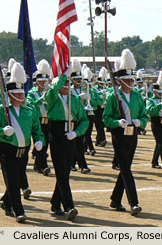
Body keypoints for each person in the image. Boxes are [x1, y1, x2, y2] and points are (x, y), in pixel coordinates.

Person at [0, 62, 45, 223]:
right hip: (7, 150)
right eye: (17, 94)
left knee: (18, 180)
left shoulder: (29, 111)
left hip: (23, 151)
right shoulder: (1, 109)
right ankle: (19, 210)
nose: (20, 96)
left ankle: (6, 202)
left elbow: (37, 130)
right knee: (12, 180)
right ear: (10, 95)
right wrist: (2, 131)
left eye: (21, 94)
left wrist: (39, 141)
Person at [103, 49, 148, 216]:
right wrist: (116, 122)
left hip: (132, 134)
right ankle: (134, 203)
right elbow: (106, 118)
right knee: (127, 170)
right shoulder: (113, 97)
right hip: (119, 135)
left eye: (132, 79)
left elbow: (144, 116)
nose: (131, 82)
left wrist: (140, 122)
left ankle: (115, 199)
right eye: (127, 80)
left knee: (126, 167)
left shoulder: (137, 96)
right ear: (120, 81)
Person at [44, 65, 89, 221]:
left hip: (71, 134)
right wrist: (64, 75)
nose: (66, 86)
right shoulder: (53, 98)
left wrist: (77, 133)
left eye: (67, 84)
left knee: (66, 171)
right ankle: (69, 206)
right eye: (63, 84)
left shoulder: (75, 100)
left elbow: (84, 120)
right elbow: (51, 91)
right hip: (56, 134)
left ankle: (55, 202)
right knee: (61, 172)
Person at [26, 59, 52, 176]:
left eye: (45, 81)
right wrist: (42, 99)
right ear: (37, 82)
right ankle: (43, 166)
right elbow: (31, 105)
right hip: (37, 121)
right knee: (41, 142)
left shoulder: (50, 92)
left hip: (48, 121)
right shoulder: (32, 92)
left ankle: (38, 165)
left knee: (45, 144)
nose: (44, 83)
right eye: (41, 81)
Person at [70, 59, 91, 174]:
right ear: (72, 79)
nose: (79, 80)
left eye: (80, 78)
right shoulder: (70, 90)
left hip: (82, 119)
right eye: (77, 79)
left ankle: (77, 165)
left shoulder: (84, 88)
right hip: (72, 119)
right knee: (75, 144)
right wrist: (79, 98)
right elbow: (69, 103)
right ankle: (78, 165)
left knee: (79, 143)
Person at [146, 81, 162, 169]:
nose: (160, 94)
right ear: (154, 92)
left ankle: (154, 162)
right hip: (155, 121)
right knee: (160, 142)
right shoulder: (150, 100)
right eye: (158, 92)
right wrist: (160, 105)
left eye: (161, 92)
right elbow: (150, 111)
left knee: (159, 142)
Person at [93, 67, 108, 147]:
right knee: (99, 125)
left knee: (101, 125)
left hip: (104, 109)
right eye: (100, 82)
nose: (102, 84)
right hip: (97, 109)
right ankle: (103, 139)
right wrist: (100, 100)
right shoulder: (94, 90)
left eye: (103, 83)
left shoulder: (105, 89)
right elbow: (94, 100)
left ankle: (98, 140)